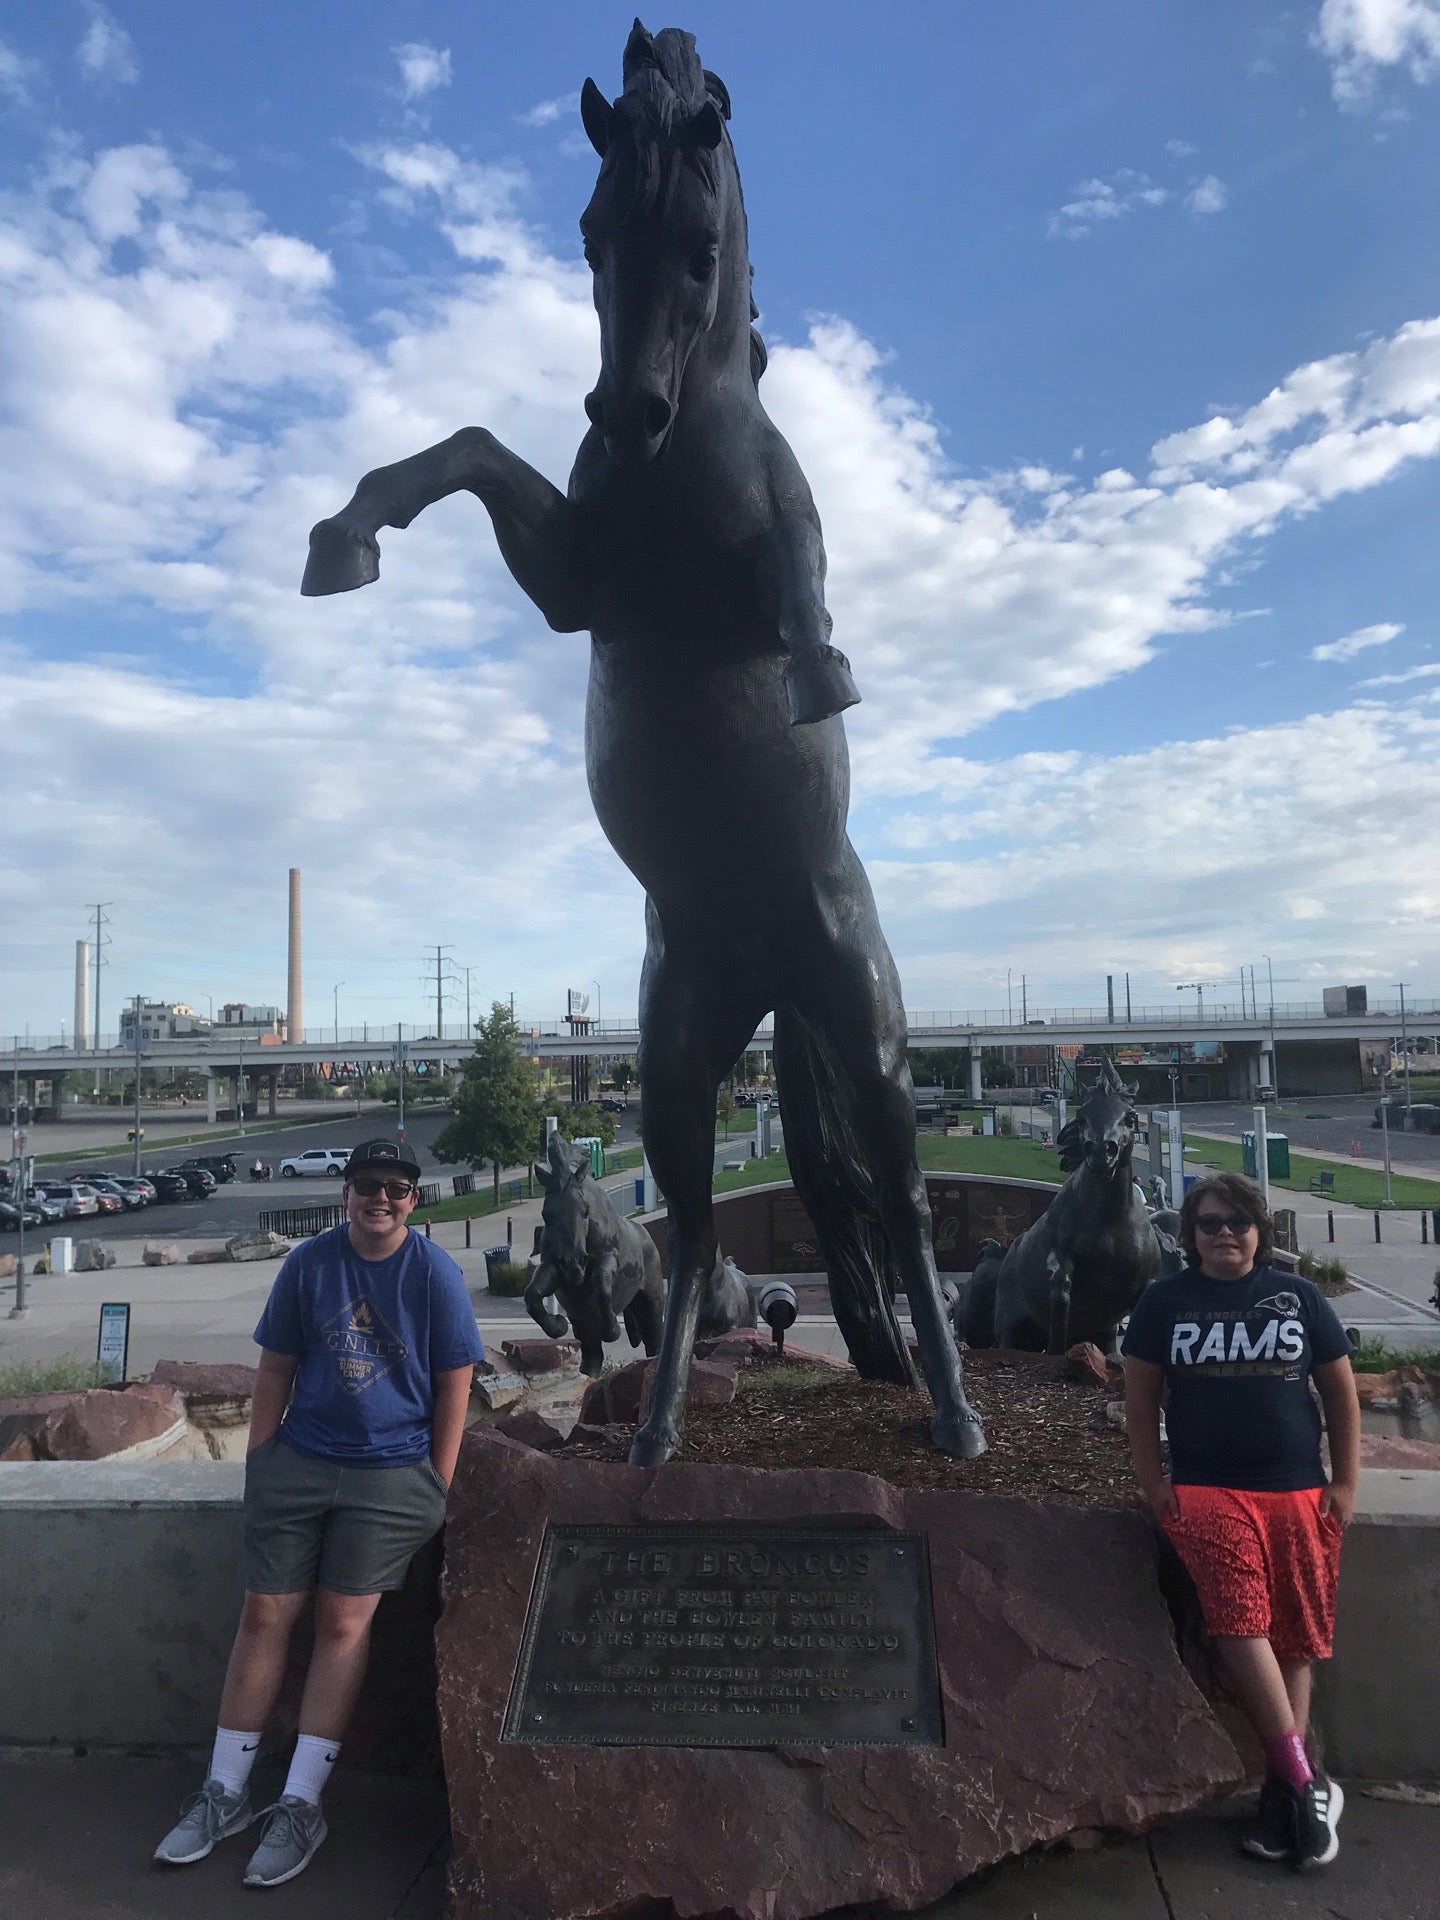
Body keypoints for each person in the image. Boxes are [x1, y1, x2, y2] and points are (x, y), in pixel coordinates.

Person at [154, 1138, 483, 1888]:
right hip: (300, 1462)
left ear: (413, 1201)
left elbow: (455, 1381)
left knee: (342, 1621)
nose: (383, 1199)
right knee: (266, 1612)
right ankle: (225, 1790)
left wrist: (437, 1482)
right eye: (369, 1185)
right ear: (346, 1192)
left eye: (398, 1189)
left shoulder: (433, 1273)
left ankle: (301, 1801)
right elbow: (276, 1368)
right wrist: (263, 1462)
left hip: (389, 1473)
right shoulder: (310, 1264)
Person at [1123, 1170, 1360, 1872]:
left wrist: (1345, 1483)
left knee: (1293, 1633)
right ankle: (1303, 1778)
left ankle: (1281, 1796)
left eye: (1237, 1222)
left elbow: (1340, 1393)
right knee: (1236, 1622)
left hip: (1297, 1492)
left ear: (1259, 1230)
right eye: (1209, 1223)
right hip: (1207, 1490)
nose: (1224, 1233)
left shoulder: (1298, 1297)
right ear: (1189, 1235)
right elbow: (1141, 1400)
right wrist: (1152, 1482)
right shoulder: (1165, 1301)